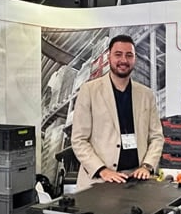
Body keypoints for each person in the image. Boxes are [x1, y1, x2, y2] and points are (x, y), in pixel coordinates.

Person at [70, 34, 164, 192]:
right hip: (99, 181)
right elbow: (79, 140)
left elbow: (156, 137)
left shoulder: (146, 94)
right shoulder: (89, 91)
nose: (124, 60)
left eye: (129, 55)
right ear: (109, 57)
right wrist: (102, 170)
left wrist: (147, 166)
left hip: (136, 180)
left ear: (134, 58)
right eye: (118, 54)